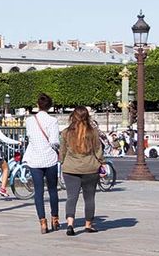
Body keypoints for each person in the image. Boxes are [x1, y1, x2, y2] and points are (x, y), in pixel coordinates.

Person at [60, 106, 105, 236]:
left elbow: (62, 151)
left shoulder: (66, 132)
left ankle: (70, 224)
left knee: (71, 197)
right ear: (87, 116)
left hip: (71, 168)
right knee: (89, 198)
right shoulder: (93, 132)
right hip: (90, 168)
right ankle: (88, 224)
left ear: (72, 117)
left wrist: (63, 162)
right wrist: (101, 162)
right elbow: (98, 150)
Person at [24, 93, 61, 234]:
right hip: (49, 158)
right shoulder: (53, 121)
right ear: (50, 106)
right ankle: (55, 220)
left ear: (37, 105)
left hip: (35, 159)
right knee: (52, 190)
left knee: (38, 192)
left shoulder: (29, 120)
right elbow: (54, 141)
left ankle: (43, 223)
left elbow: (30, 137)